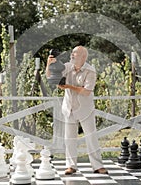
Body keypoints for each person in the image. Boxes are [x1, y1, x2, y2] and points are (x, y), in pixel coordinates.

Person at [46, 46, 108, 175]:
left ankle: (97, 165)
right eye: (72, 53)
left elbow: (86, 91)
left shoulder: (90, 71)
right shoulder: (67, 66)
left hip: (85, 109)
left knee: (91, 137)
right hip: (69, 108)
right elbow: (50, 78)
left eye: (75, 54)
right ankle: (71, 166)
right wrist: (49, 64)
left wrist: (68, 86)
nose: (72, 55)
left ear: (83, 57)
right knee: (69, 139)